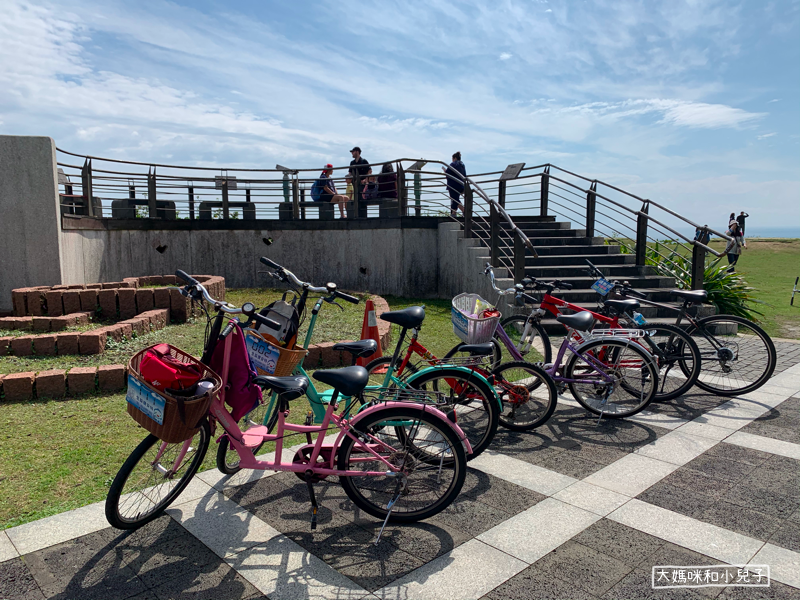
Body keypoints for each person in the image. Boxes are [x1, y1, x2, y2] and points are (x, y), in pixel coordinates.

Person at [444, 152, 467, 218]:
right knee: (455, 198)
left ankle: (464, 211)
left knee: (454, 199)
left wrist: (445, 171)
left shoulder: (453, 164)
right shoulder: (462, 165)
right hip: (461, 184)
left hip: (453, 185)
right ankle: (453, 213)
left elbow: (448, 172)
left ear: (455, 158)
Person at [349, 147, 370, 216]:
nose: (352, 153)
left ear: (357, 152)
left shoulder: (364, 161)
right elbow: (350, 173)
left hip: (362, 184)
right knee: (356, 199)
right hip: (354, 184)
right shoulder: (352, 163)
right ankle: (357, 214)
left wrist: (365, 180)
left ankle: (362, 215)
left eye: (353, 152)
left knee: (362, 199)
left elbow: (369, 171)